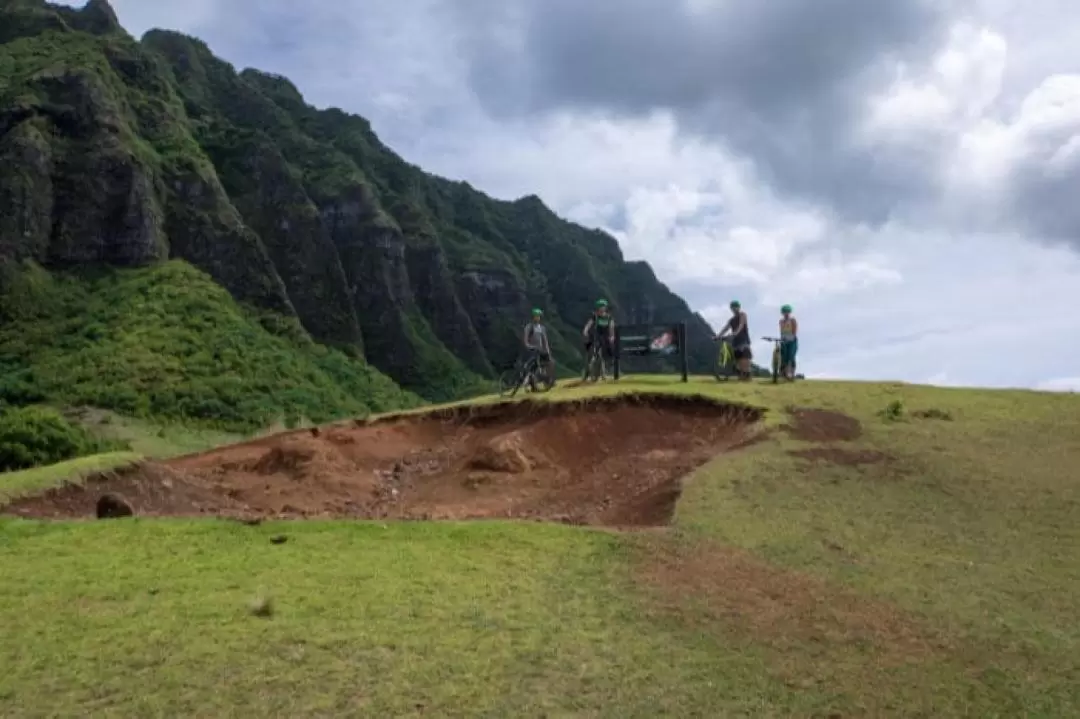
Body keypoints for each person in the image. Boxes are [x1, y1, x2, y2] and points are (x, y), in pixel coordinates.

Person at [716, 300, 752, 380]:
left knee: (745, 358)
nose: (734, 309)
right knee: (738, 359)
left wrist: (735, 333)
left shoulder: (742, 315)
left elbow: (741, 325)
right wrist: (718, 336)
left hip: (744, 340)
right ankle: (741, 376)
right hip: (736, 342)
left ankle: (747, 375)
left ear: (739, 307)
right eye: (733, 307)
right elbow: (725, 328)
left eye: (736, 307)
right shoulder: (731, 320)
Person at [581, 298, 615, 379]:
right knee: (592, 355)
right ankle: (587, 373)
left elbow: (611, 327)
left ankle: (603, 374)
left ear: (606, 308)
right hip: (595, 337)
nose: (602, 308)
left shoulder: (609, 317)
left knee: (602, 356)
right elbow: (589, 324)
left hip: (604, 338)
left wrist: (612, 336)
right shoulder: (595, 316)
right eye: (600, 306)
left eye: (603, 306)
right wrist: (585, 331)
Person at [523, 307, 555, 385]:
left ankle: (548, 381)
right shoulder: (529, 327)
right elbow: (526, 340)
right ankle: (529, 382)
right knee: (532, 368)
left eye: (539, 316)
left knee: (550, 363)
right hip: (532, 351)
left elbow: (545, 341)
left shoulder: (542, 328)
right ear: (533, 317)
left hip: (540, 350)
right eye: (536, 316)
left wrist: (548, 351)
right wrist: (530, 347)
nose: (538, 318)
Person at [779, 304, 798, 380]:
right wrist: (782, 339)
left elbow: (794, 331)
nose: (786, 313)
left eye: (787, 312)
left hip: (792, 340)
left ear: (789, 312)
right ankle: (785, 374)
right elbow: (781, 331)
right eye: (784, 312)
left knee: (791, 356)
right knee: (784, 357)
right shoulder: (781, 321)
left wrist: (791, 338)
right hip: (784, 340)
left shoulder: (792, 320)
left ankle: (791, 374)